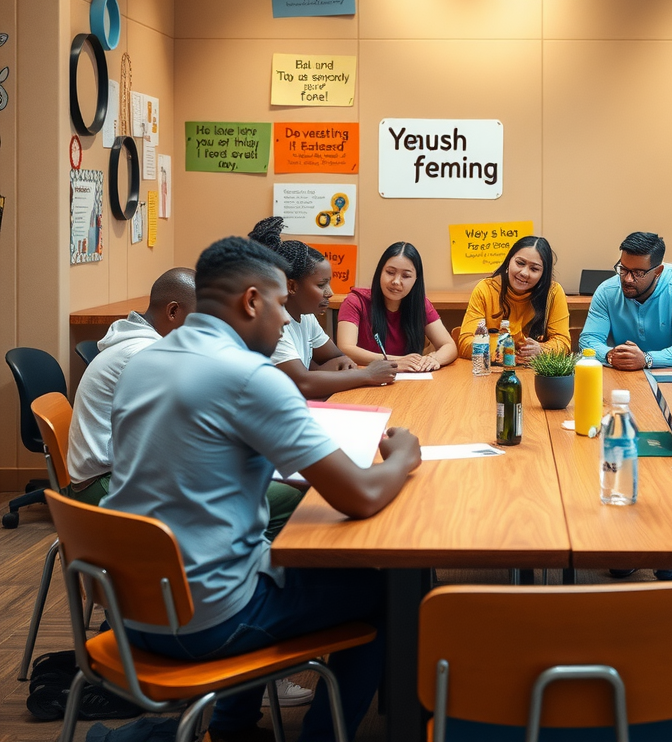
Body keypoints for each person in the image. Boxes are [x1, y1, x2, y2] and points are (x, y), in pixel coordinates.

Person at [103, 236, 422, 742]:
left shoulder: (145, 362)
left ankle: (233, 730)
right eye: (279, 305)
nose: (284, 322)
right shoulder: (251, 376)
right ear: (252, 301)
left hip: (128, 610)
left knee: (276, 555)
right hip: (202, 623)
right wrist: (404, 456)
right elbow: (360, 496)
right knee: (390, 590)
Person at [66, 268, 196, 507]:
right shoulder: (145, 353)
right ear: (174, 311)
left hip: (108, 477)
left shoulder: (138, 344)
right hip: (106, 486)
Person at [249, 217, 397, 395]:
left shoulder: (306, 316)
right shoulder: (270, 322)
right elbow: (302, 383)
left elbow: (336, 357)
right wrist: (368, 374)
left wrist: (324, 371)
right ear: (292, 286)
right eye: (321, 285)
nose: (330, 292)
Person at [579, 231, 672, 369]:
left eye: (638, 273)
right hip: (621, 374)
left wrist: (646, 359)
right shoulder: (607, 291)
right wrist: (610, 355)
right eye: (623, 269)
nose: (627, 279)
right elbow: (588, 340)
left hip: (668, 378)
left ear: (658, 271)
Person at [337, 242, 457, 371]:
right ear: (379, 272)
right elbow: (346, 348)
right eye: (390, 272)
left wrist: (433, 360)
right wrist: (396, 362)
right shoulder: (355, 301)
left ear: (416, 279)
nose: (396, 281)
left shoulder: (420, 304)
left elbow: (449, 345)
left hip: (408, 382)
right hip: (365, 381)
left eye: (406, 276)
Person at [457, 236, 571, 362]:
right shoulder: (486, 289)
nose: (524, 273)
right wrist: (507, 349)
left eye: (534, 269)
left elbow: (564, 343)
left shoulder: (553, 292)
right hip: (493, 370)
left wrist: (541, 349)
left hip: (534, 370)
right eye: (520, 263)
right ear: (508, 262)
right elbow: (465, 343)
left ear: (543, 274)